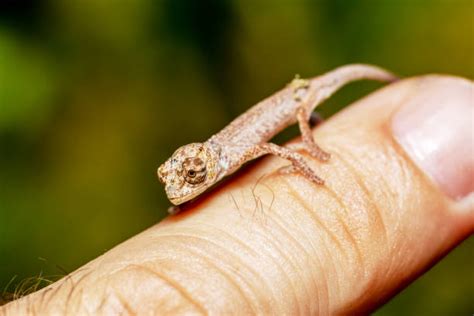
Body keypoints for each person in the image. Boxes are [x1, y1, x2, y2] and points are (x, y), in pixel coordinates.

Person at [1, 75, 472, 315]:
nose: (183, 185)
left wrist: (306, 156)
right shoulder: (214, 160)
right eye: (177, 180)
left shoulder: (228, 155)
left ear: (206, 164)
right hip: (272, 111)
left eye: (188, 177)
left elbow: (269, 143)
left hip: (295, 100)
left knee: (304, 110)